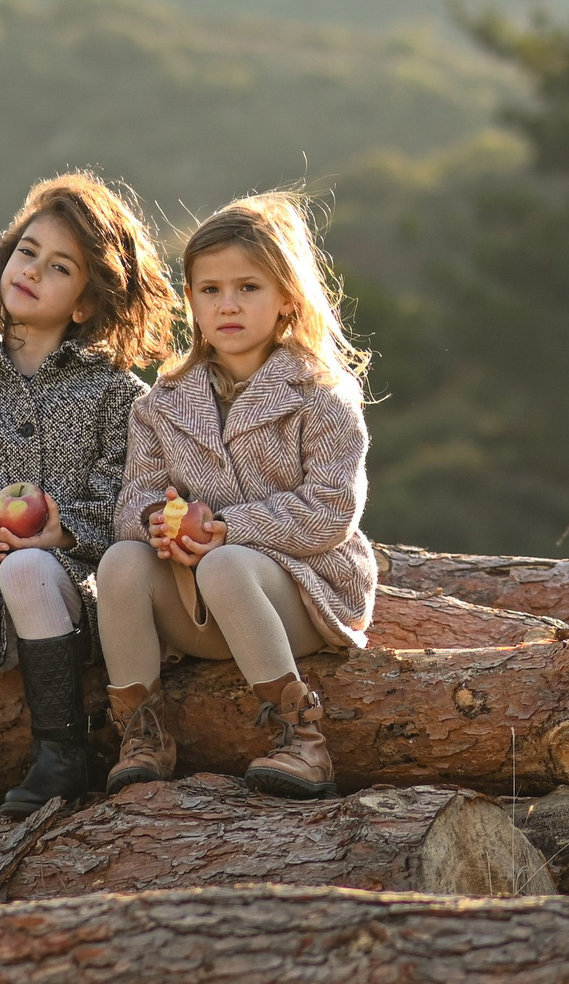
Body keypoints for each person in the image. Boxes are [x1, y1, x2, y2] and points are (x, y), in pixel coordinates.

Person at [0, 173, 175, 826]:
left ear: (83, 302)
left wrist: (65, 531)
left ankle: (61, 752)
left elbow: (124, 492)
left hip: (73, 591)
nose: (33, 271)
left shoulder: (115, 392)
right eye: (27, 251)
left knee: (25, 566)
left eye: (59, 267)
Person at [96, 192, 377, 799]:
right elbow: (130, 501)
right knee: (120, 560)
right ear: (191, 300)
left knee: (226, 561)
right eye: (209, 289)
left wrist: (225, 526)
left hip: (304, 594)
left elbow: (331, 512)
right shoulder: (161, 402)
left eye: (248, 288)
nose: (227, 305)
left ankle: (303, 740)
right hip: (199, 608)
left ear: (286, 299)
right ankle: (142, 732)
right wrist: (156, 523)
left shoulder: (321, 394)